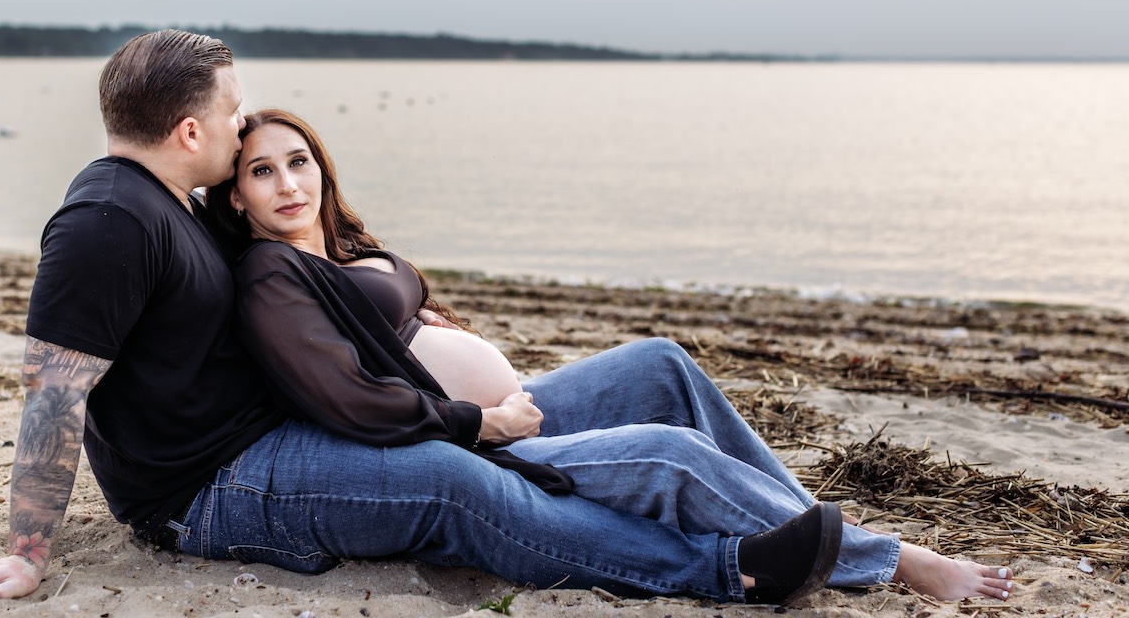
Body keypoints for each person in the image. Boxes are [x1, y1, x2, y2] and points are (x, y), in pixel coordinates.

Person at [0, 29, 857, 606]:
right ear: (190, 132)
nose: (245, 126)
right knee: (454, 481)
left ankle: (823, 536)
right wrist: (26, 555)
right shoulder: (106, 221)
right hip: (211, 489)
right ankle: (725, 570)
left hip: (288, 433)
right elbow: (52, 395)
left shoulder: (180, 206)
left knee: (648, 369)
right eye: (234, 114)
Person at [203, 108, 1017, 605]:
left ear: (322, 166)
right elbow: (338, 390)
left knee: (660, 364)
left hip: (508, 412)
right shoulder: (272, 271)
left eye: (298, 161)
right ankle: (896, 562)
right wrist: (481, 423)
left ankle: (819, 531)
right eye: (262, 172)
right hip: (475, 441)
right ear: (236, 196)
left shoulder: (338, 246)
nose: (287, 184)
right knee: (670, 454)